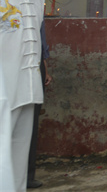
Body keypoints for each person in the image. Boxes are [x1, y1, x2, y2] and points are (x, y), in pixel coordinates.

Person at [0, 0, 49, 192]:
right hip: (4, 87)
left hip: (29, 85)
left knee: (21, 148)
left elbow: (38, 41)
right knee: (2, 148)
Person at [27, 23, 53, 189]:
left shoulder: (36, 1)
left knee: (31, 123)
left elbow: (40, 40)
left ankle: (27, 175)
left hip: (35, 65)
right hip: (10, 64)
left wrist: (44, 68)